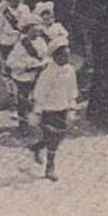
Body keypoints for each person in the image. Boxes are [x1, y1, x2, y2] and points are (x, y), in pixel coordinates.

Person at [29, 43, 79, 181]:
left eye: (68, 55)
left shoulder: (70, 70)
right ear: (55, 56)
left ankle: (36, 147)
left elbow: (72, 88)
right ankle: (50, 168)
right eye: (63, 55)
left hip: (62, 108)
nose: (67, 58)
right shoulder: (47, 73)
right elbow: (40, 93)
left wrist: (72, 105)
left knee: (59, 135)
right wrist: (37, 112)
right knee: (52, 136)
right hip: (48, 110)